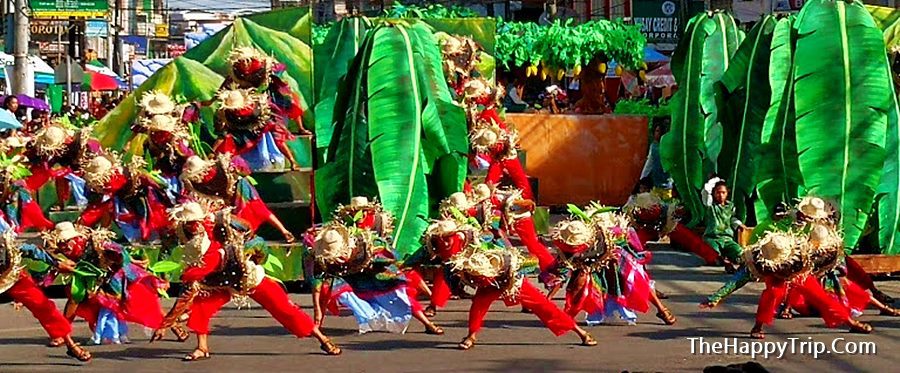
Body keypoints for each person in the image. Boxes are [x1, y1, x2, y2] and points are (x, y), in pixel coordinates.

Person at [154, 202, 341, 360]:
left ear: (199, 221)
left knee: (286, 309)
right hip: (222, 283)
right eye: (187, 224)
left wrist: (165, 323)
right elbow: (171, 246)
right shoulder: (189, 235)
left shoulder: (218, 235)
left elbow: (249, 234)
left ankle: (322, 338)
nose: (190, 227)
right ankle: (202, 347)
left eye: (192, 223)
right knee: (202, 307)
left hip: (249, 279)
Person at [0, 231, 92, 362]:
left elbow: (28, 249)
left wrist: (57, 263)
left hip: (11, 276)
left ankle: (70, 344)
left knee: (44, 306)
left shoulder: (3, 236)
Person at [703, 180, 747, 271]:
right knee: (713, 257)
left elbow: (732, 219)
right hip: (712, 238)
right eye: (718, 193)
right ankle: (725, 262)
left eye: (723, 192)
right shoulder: (710, 206)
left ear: (727, 193)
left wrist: (740, 225)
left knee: (740, 253)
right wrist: (713, 181)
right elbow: (705, 192)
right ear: (714, 194)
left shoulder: (730, 206)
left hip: (727, 239)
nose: (720, 195)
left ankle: (729, 260)